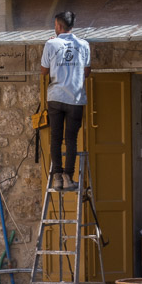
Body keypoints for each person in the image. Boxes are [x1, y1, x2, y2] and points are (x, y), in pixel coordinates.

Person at [41, 11, 90, 192]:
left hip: (55, 96)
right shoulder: (84, 45)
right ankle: (68, 178)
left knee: (55, 138)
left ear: (59, 26)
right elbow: (86, 71)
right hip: (75, 99)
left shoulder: (51, 44)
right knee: (71, 139)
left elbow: (44, 71)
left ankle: (57, 179)